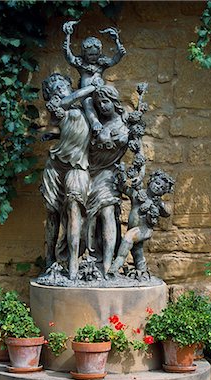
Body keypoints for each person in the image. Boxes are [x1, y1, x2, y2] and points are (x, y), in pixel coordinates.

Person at [40, 73, 95, 280]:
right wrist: (92, 86)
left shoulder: (84, 109)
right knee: (52, 212)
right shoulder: (60, 104)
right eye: (55, 89)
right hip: (56, 166)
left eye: (62, 86)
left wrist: (54, 135)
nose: (60, 90)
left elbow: (75, 130)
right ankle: (49, 261)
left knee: (74, 209)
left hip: (78, 166)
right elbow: (67, 102)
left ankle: (73, 264)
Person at [87, 85, 129, 275]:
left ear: (115, 102)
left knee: (107, 213)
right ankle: (89, 259)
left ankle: (107, 264)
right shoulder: (93, 123)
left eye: (106, 102)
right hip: (88, 173)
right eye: (99, 103)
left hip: (109, 174)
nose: (102, 106)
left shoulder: (125, 124)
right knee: (87, 219)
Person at [62, 21, 126, 134]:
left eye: (96, 54)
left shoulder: (101, 63)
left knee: (108, 100)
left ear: (100, 53)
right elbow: (69, 58)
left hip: (100, 92)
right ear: (84, 53)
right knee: (88, 103)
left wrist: (119, 52)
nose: (93, 57)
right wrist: (67, 38)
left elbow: (113, 60)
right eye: (90, 55)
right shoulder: (81, 64)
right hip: (85, 93)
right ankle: (94, 122)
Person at [109, 169, 175, 275]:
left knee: (128, 237)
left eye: (162, 188)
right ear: (151, 181)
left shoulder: (155, 202)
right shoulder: (138, 194)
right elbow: (125, 189)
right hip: (134, 228)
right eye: (157, 183)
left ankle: (116, 265)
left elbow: (166, 213)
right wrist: (122, 176)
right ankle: (141, 270)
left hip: (145, 229)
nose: (158, 187)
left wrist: (160, 205)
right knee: (137, 252)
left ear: (163, 192)